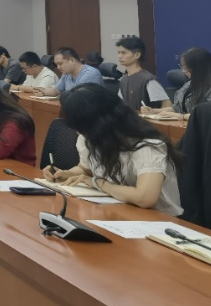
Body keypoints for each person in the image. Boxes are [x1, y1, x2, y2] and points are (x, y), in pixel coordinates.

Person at [43, 84, 182, 215]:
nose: (78, 133)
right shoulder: (89, 138)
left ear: (98, 123)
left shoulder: (147, 146)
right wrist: (66, 174)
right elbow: (86, 169)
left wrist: (99, 183)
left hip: (156, 220)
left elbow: (145, 198)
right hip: (115, 211)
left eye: (81, 127)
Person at [171, 47, 211, 117]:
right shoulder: (188, 86)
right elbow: (177, 108)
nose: (183, 71)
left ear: (197, 68)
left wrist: (180, 116)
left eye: (185, 67)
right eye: (182, 67)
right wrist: (162, 112)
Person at [115, 36, 169, 110]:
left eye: (124, 53)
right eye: (119, 53)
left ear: (137, 55)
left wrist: (153, 112)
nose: (120, 56)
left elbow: (167, 105)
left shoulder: (148, 80)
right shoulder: (124, 79)